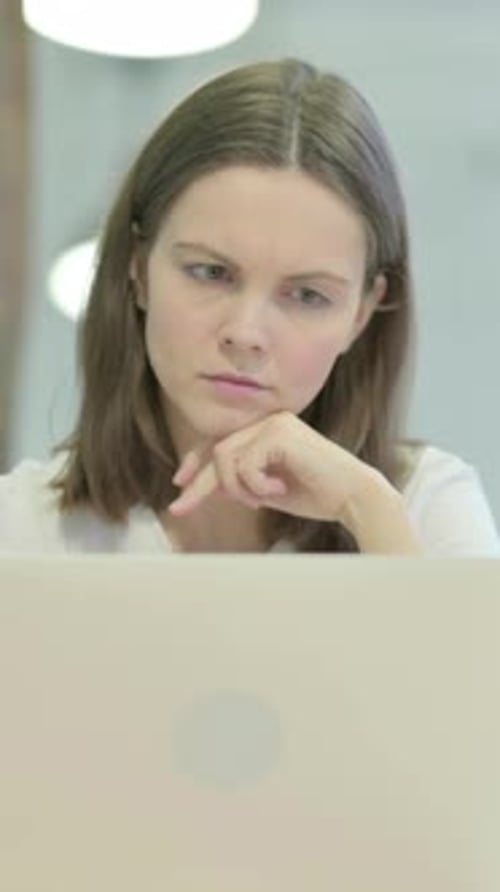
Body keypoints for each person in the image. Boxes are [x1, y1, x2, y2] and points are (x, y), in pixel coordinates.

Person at [1, 58, 499, 555]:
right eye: (210, 272)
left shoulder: (426, 508)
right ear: (138, 268)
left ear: (363, 314)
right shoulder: (24, 528)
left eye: (307, 296)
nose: (245, 333)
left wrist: (364, 508)